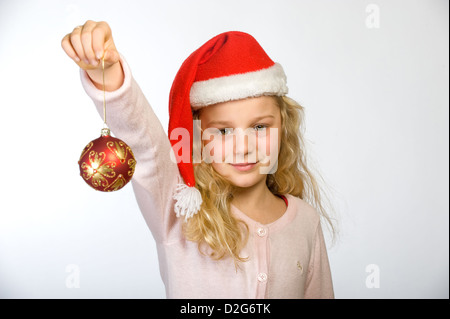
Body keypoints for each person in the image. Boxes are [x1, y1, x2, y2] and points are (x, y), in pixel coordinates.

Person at [61, 20, 335, 298]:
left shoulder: (305, 221)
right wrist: (107, 74)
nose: (244, 147)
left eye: (260, 127)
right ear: (197, 138)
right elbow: (145, 144)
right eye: (224, 131)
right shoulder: (179, 211)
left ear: (283, 127)